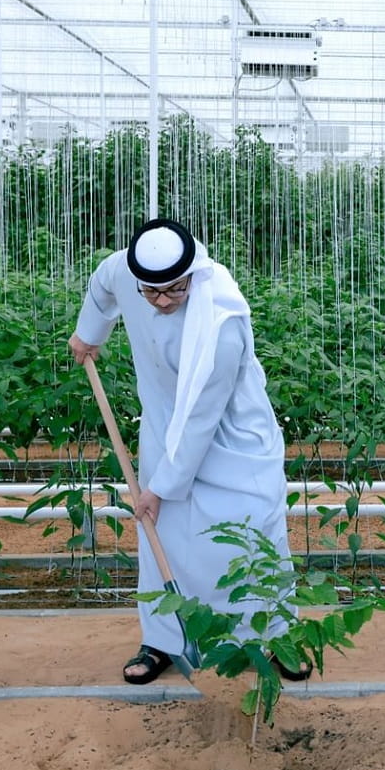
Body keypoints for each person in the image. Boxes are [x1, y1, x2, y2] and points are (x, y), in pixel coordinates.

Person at [68, 218, 297, 684]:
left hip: (232, 442)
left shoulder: (221, 322)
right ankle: (163, 641)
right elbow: (101, 286)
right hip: (164, 432)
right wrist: (89, 332)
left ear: (194, 273)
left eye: (174, 290)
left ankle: (274, 635)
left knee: (253, 535)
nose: (163, 301)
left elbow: (199, 423)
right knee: (163, 536)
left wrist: (160, 487)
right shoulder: (126, 274)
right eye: (152, 293)